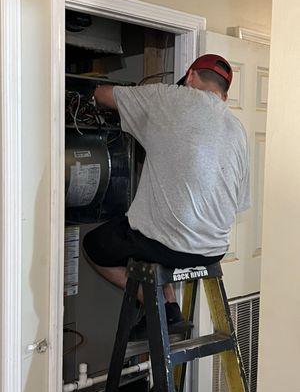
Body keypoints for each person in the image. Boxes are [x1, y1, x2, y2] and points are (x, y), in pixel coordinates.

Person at [83, 54, 250, 338]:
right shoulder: (238, 130)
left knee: (94, 245)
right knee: (157, 236)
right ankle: (170, 308)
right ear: (224, 94)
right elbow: (239, 202)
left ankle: (156, 302)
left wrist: (90, 93)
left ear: (190, 76)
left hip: (169, 244)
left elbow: (106, 95)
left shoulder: (169, 97)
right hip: (213, 248)